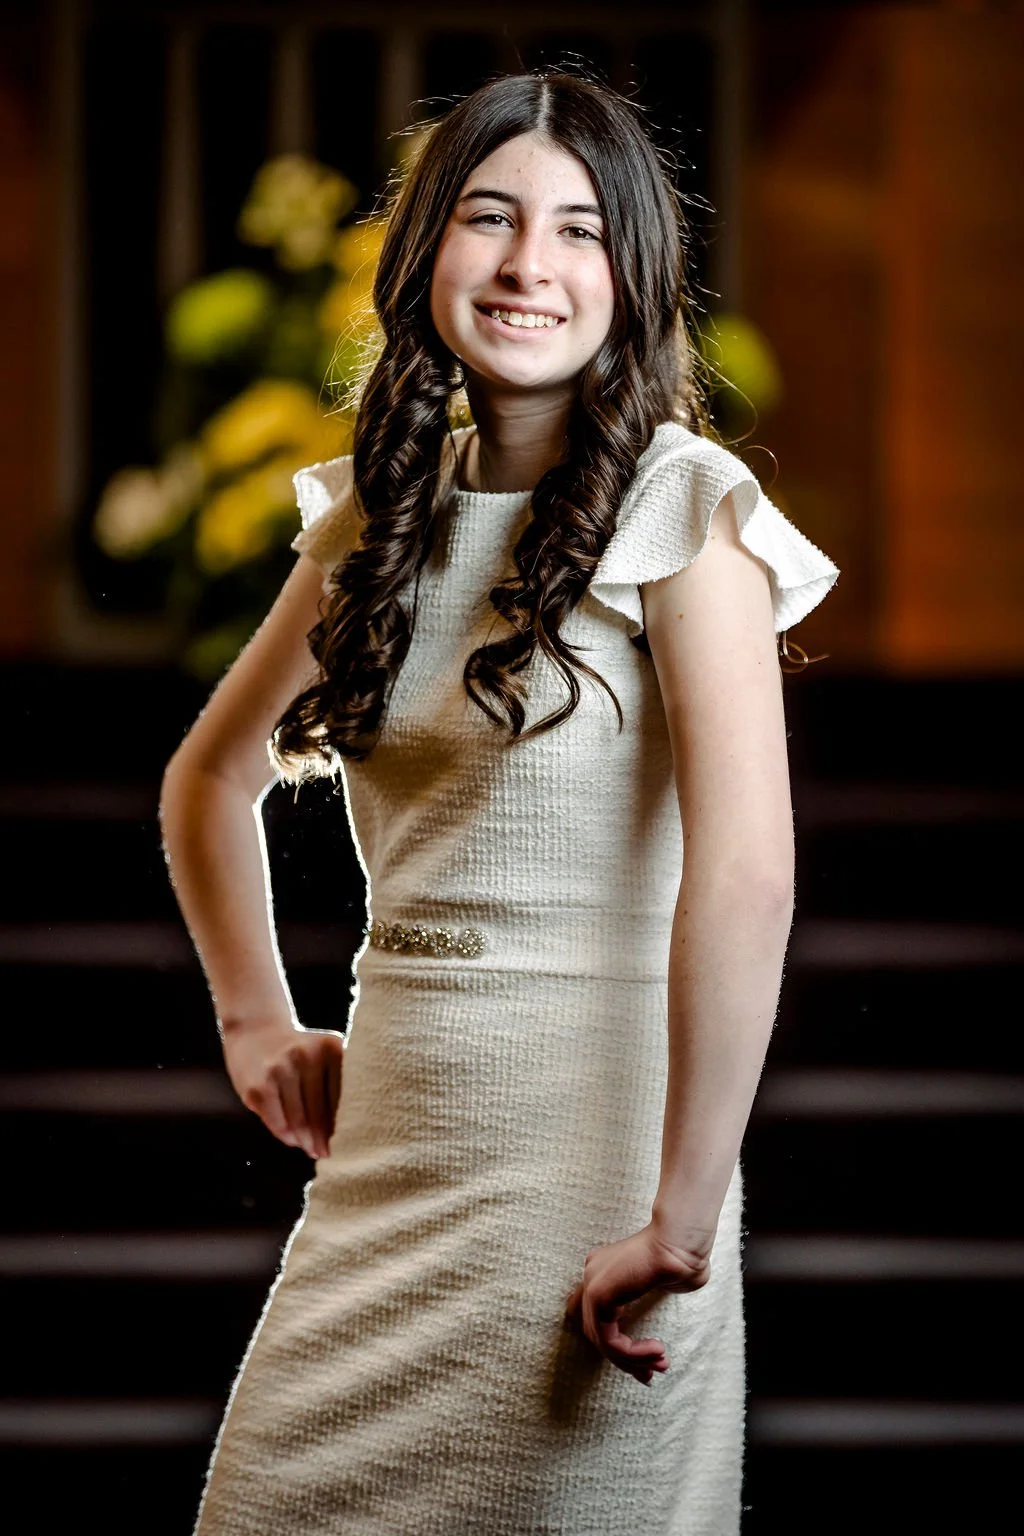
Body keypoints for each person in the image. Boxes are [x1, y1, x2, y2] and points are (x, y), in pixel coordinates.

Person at [161, 70, 838, 1536]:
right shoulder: (367, 520)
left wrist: (681, 1213)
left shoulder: (688, 507)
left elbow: (747, 875)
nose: (532, 264)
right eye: (490, 216)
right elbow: (209, 777)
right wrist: (254, 1022)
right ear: (426, 255)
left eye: (583, 230)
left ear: (634, 277)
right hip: (395, 1154)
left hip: (592, 1172)